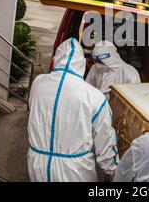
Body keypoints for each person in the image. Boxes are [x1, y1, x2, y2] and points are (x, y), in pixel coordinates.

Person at [27, 38, 119, 182]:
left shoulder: (38, 84)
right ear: (81, 63)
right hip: (76, 171)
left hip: (38, 165)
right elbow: (105, 142)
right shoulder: (94, 97)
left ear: (56, 59)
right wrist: (114, 170)